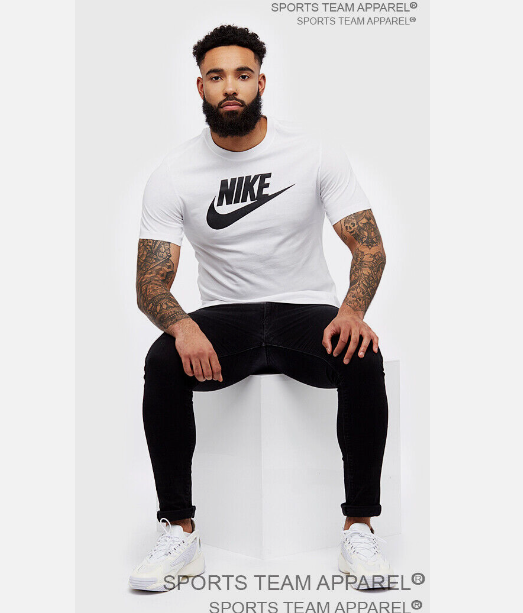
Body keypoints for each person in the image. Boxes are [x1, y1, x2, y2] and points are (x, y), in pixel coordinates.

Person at [129, 24, 392, 592]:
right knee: (161, 360)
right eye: (217, 76)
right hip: (227, 316)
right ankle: (179, 530)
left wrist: (350, 312)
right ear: (201, 87)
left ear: (260, 83)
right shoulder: (173, 174)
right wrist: (183, 328)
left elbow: (368, 247)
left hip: (305, 310)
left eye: (242, 75)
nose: (231, 86)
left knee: (364, 356)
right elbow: (151, 283)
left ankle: (359, 528)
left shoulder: (314, 154)